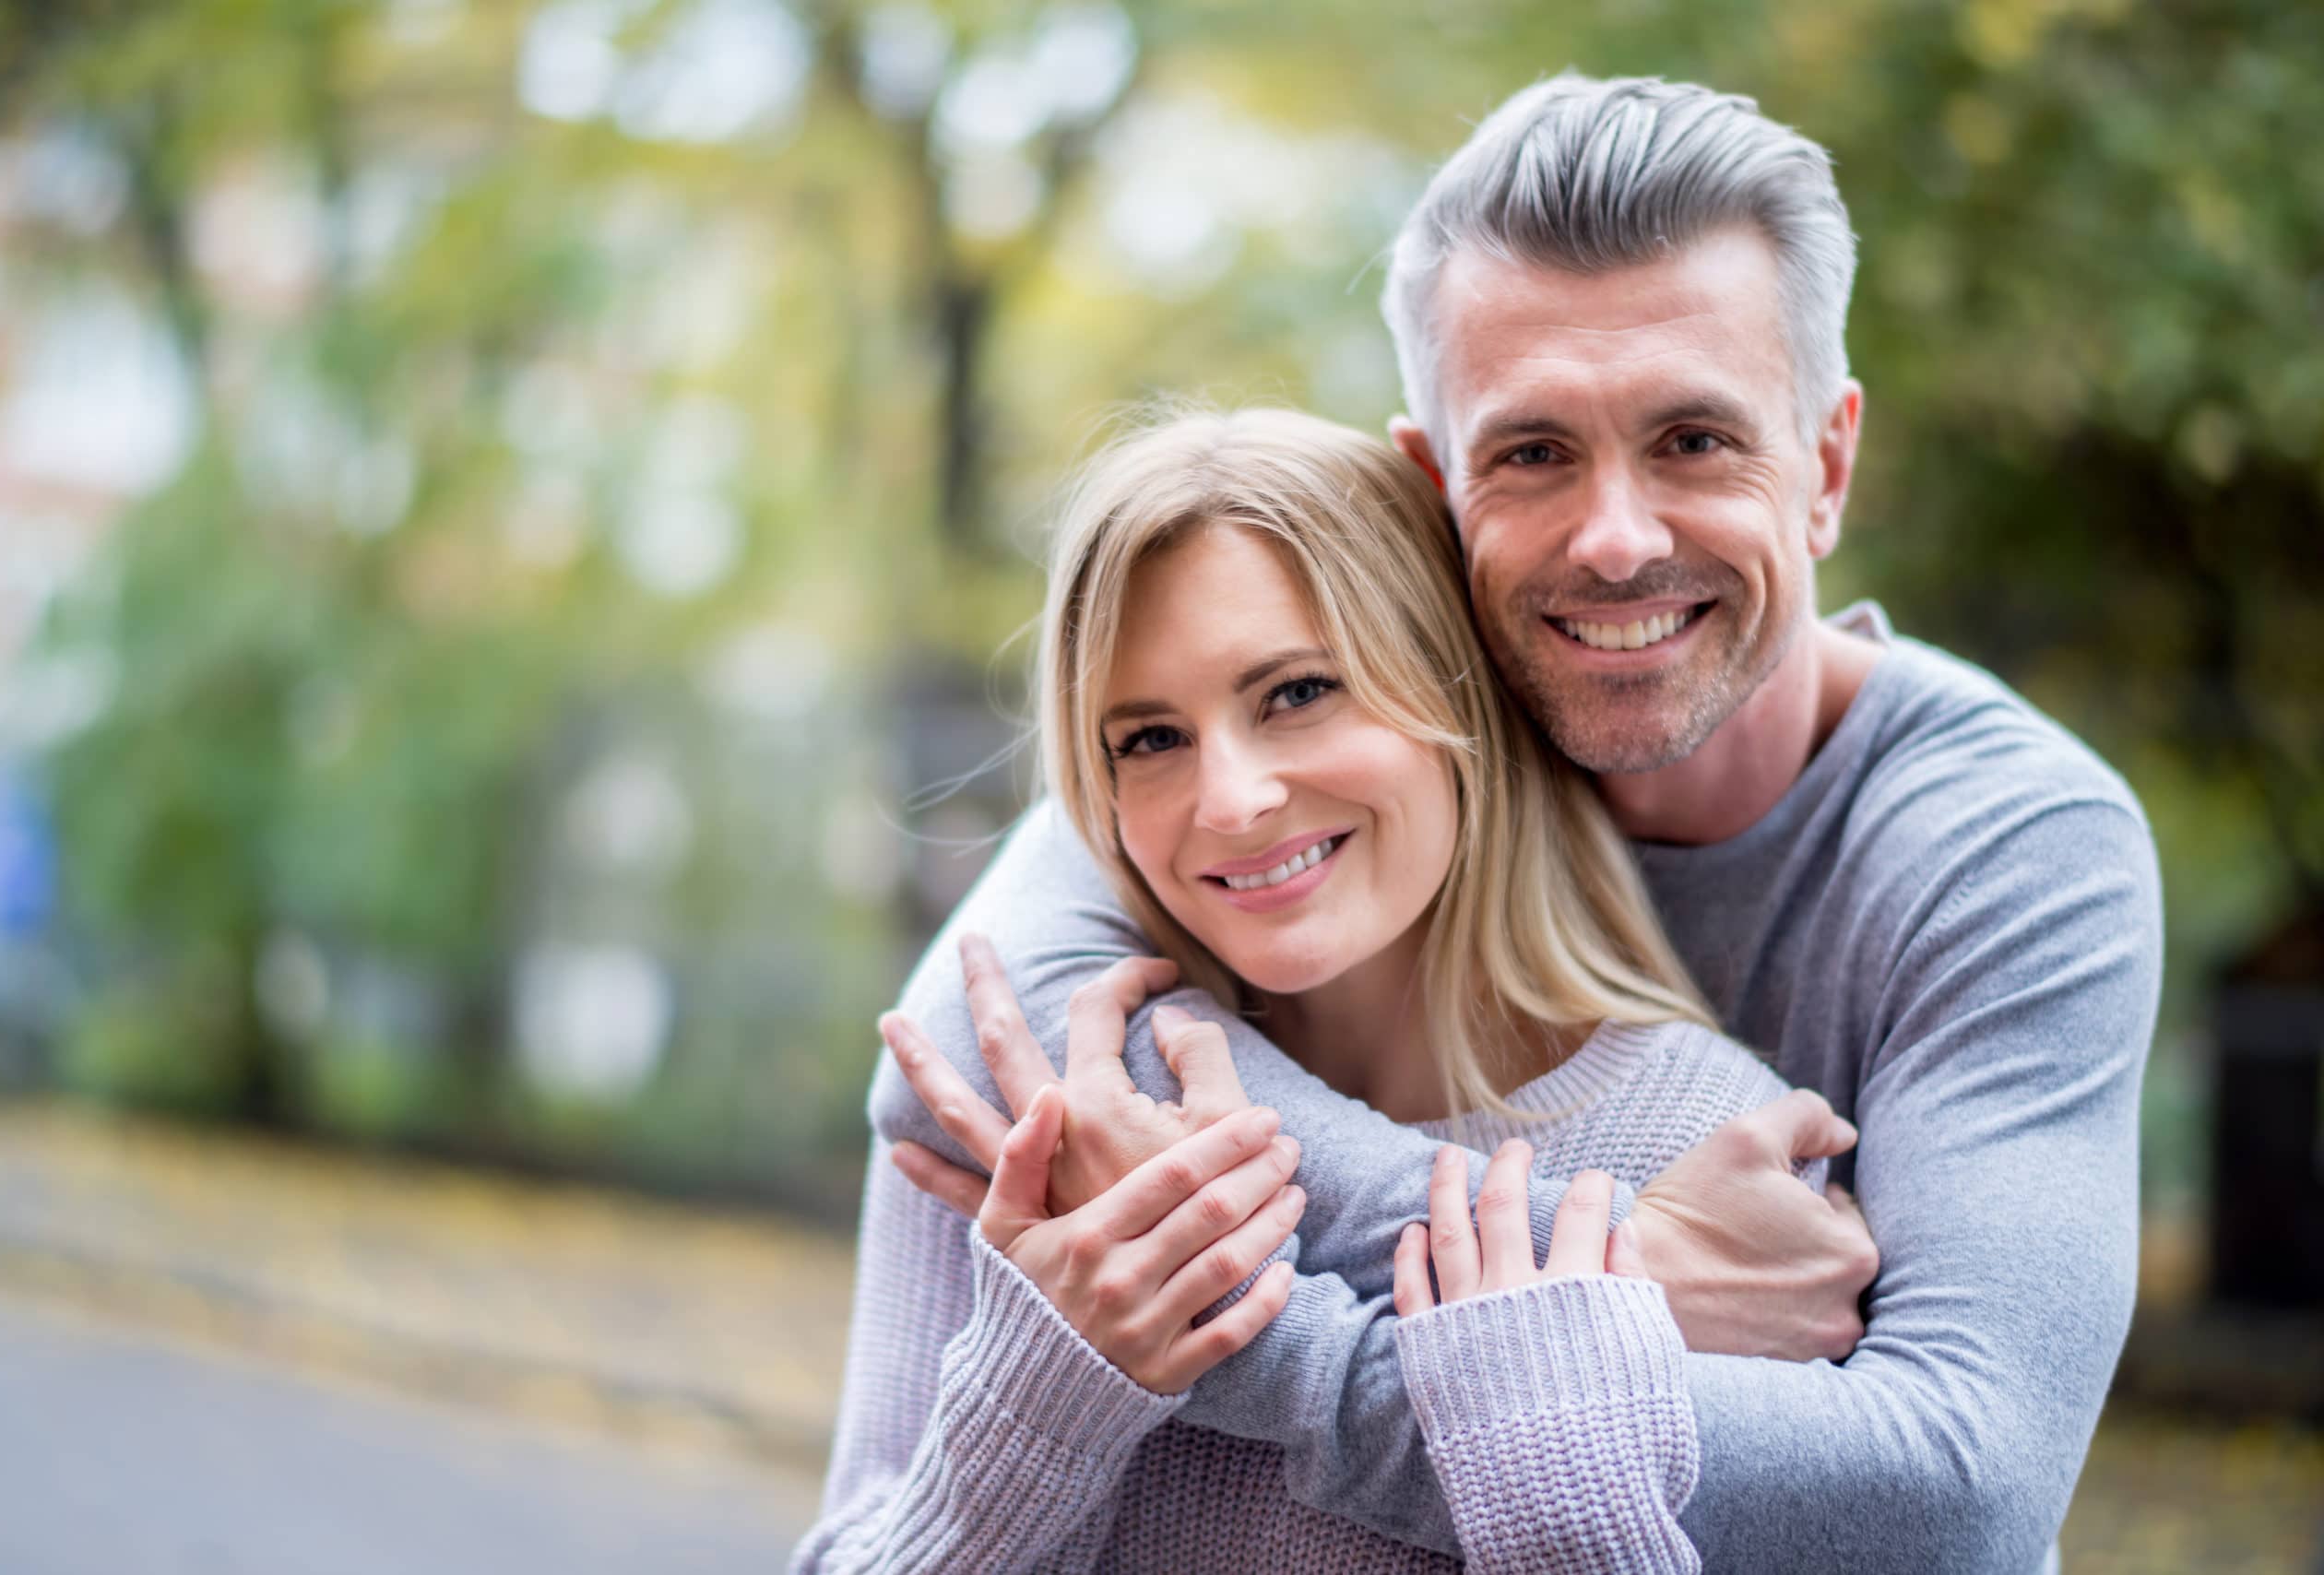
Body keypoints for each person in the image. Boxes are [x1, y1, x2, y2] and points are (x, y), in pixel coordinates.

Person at [861, 71, 2162, 1573]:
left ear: (1826, 464)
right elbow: (970, 1059)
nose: (1615, 538)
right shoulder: (1342, 707)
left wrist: (1261, 1339)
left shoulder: (2007, 845)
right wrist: (1617, 1266)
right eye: (1534, 451)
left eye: (1695, 439)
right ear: (1436, 490)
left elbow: (1949, 1499)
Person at [796, 406, 1842, 1573]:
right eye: (1148, 739)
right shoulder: (1057, 1125)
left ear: (1455, 693)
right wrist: (1045, 1388)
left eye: (1296, 692)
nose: (1230, 799)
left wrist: (1546, 1492)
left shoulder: (1732, 1179)